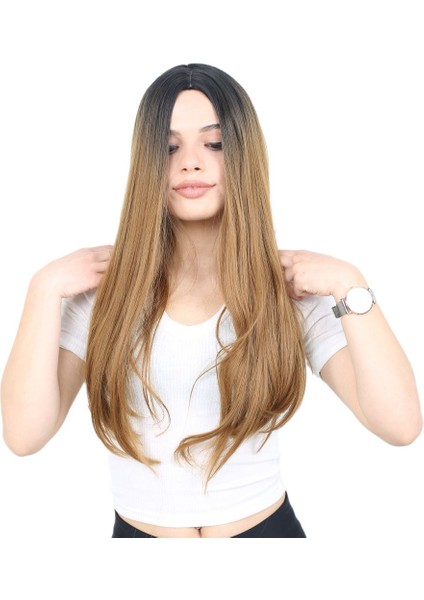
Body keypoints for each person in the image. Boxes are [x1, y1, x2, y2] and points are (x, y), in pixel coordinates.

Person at [1, 64, 421, 538]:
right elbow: (24, 435)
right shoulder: (104, 293)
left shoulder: (286, 289)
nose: (190, 163)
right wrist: (42, 289)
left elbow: (400, 425)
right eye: (169, 147)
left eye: (215, 143)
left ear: (242, 153)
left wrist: (350, 284)